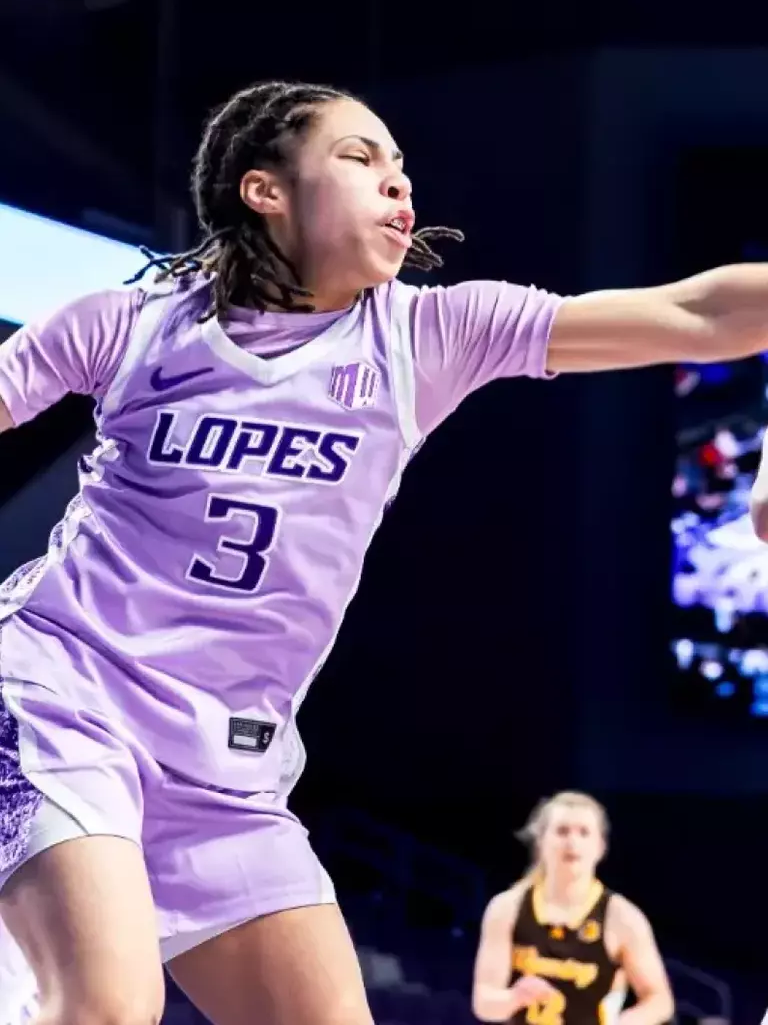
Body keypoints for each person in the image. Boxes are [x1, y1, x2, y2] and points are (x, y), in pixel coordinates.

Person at [0, 78, 766, 1025]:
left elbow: (695, 313)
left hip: (227, 768)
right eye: (362, 159)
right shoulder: (134, 325)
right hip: (64, 696)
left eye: (405, 170)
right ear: (264, 190)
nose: (401, 187)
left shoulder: (428, 335)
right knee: (109, 1007)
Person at [472, 792, 674, 1025]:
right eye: (562, 831)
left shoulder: (622, 918)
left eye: (583, 833)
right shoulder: (507, 908)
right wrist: (514, 998)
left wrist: (626, 1022)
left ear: (600, 846)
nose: (572, 842)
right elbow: (484, 1003)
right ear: (541, 841)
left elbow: (659, 1000)